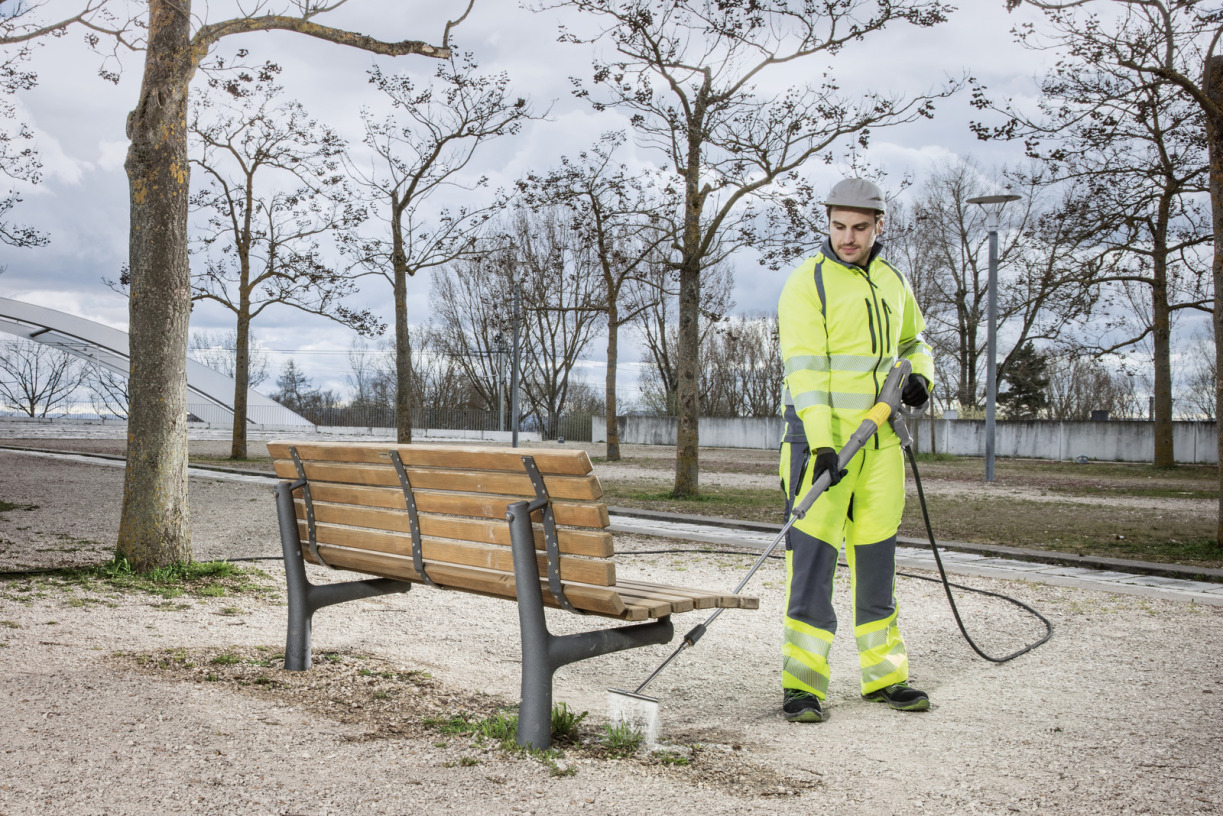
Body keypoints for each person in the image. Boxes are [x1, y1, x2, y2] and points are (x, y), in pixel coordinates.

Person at [776, 178, 935, 723]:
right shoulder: (808, 283)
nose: (848, 237)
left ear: (878, 226)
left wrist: (921, 379)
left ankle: (886, 677)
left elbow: (914, 342)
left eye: (860, 228)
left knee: (876, 564)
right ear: (828, 223)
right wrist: (823, 443)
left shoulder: (893, 280)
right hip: (820, 447)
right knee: (812, 566)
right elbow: (804, 371)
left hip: (881, 445)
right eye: (839, 226)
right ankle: (802, 686)